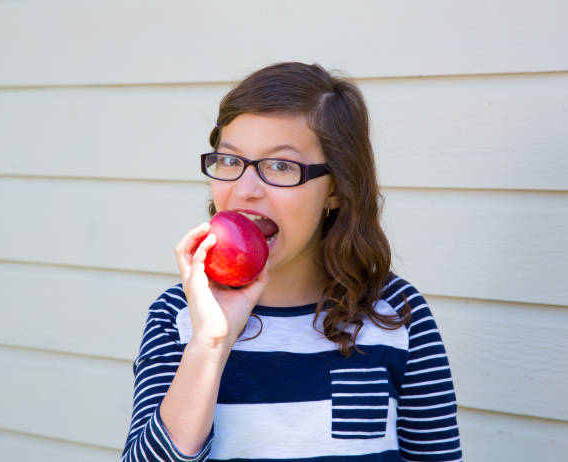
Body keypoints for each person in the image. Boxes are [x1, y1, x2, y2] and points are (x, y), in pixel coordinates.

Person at [121, 62, 462, 462]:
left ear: (335, 188)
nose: (246, 190)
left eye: (280, 166)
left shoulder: (395, 315)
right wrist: (211, 344)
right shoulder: (179, 317)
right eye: (230, 161)